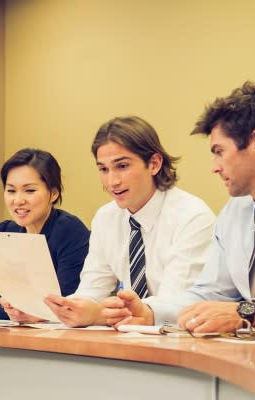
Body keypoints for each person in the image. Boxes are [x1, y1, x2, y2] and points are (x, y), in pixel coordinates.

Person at [101, 82, 255, 335]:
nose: (214, 166)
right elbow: (210, 292)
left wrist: (248, 311)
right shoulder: (235, 211)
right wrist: (150, 312)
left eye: (219, 152)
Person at [44, 116, 216, 327]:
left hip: (179, 342)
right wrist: (54, 310)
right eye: (103, 169)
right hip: (128, 342)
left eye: (122, 166)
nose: (112, 182)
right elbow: (91, 291)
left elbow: (174, 305)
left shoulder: (192, 216)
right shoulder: (106, 218)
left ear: (154, 164)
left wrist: (99, 315)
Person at [0, 148, 90, 321]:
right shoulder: (4, 231)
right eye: (11, 191)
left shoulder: (70, 231)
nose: (18, 200)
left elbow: (65, 304)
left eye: (30, 191)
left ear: (54, 193)